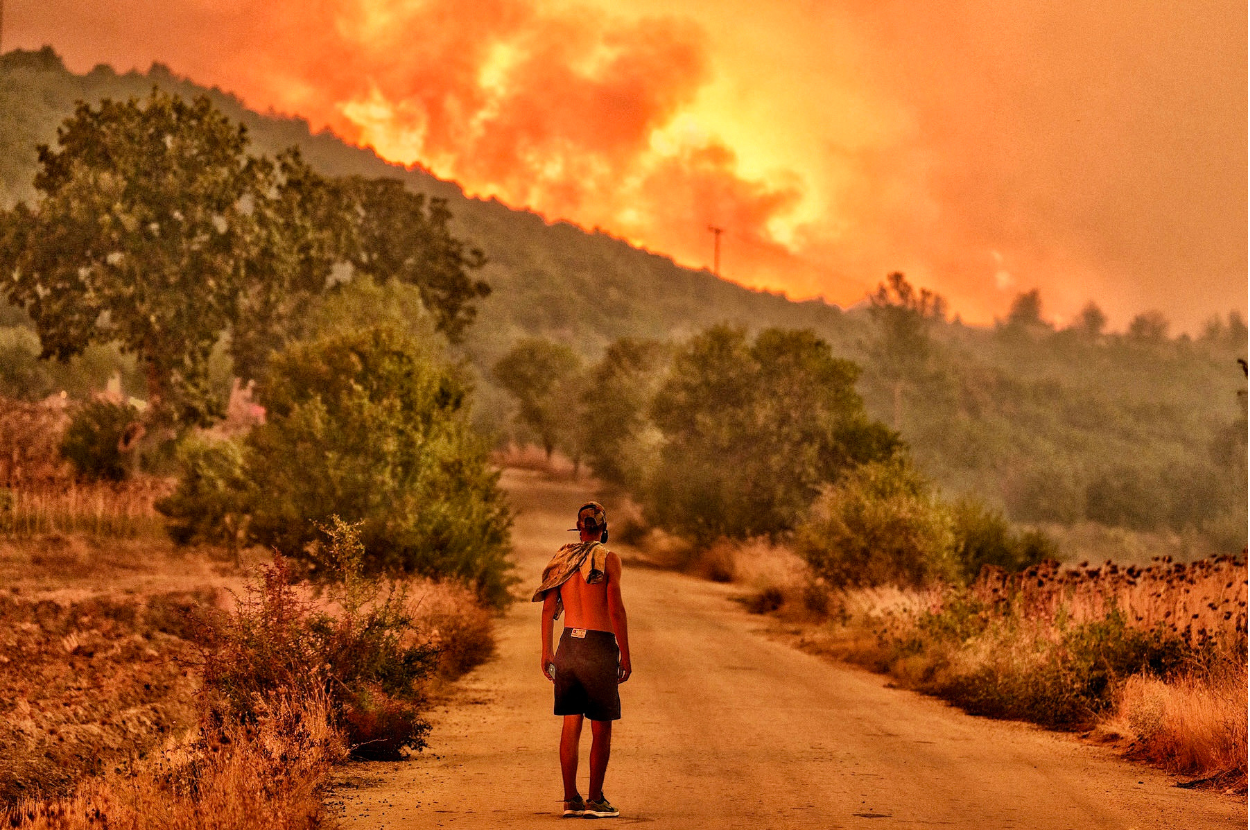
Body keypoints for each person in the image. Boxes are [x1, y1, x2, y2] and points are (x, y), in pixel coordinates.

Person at [532, 501, 632, 819]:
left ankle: (570, 799)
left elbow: (549, 610)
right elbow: (615, 610)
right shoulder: (608, 558)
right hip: (598, 646)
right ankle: (595, 799)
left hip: (568, 646)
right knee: (600, 728)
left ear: (579, 528)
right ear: (603, 530)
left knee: (571, 723)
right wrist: (625, 655)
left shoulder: (562, 558)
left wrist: (546, 651)